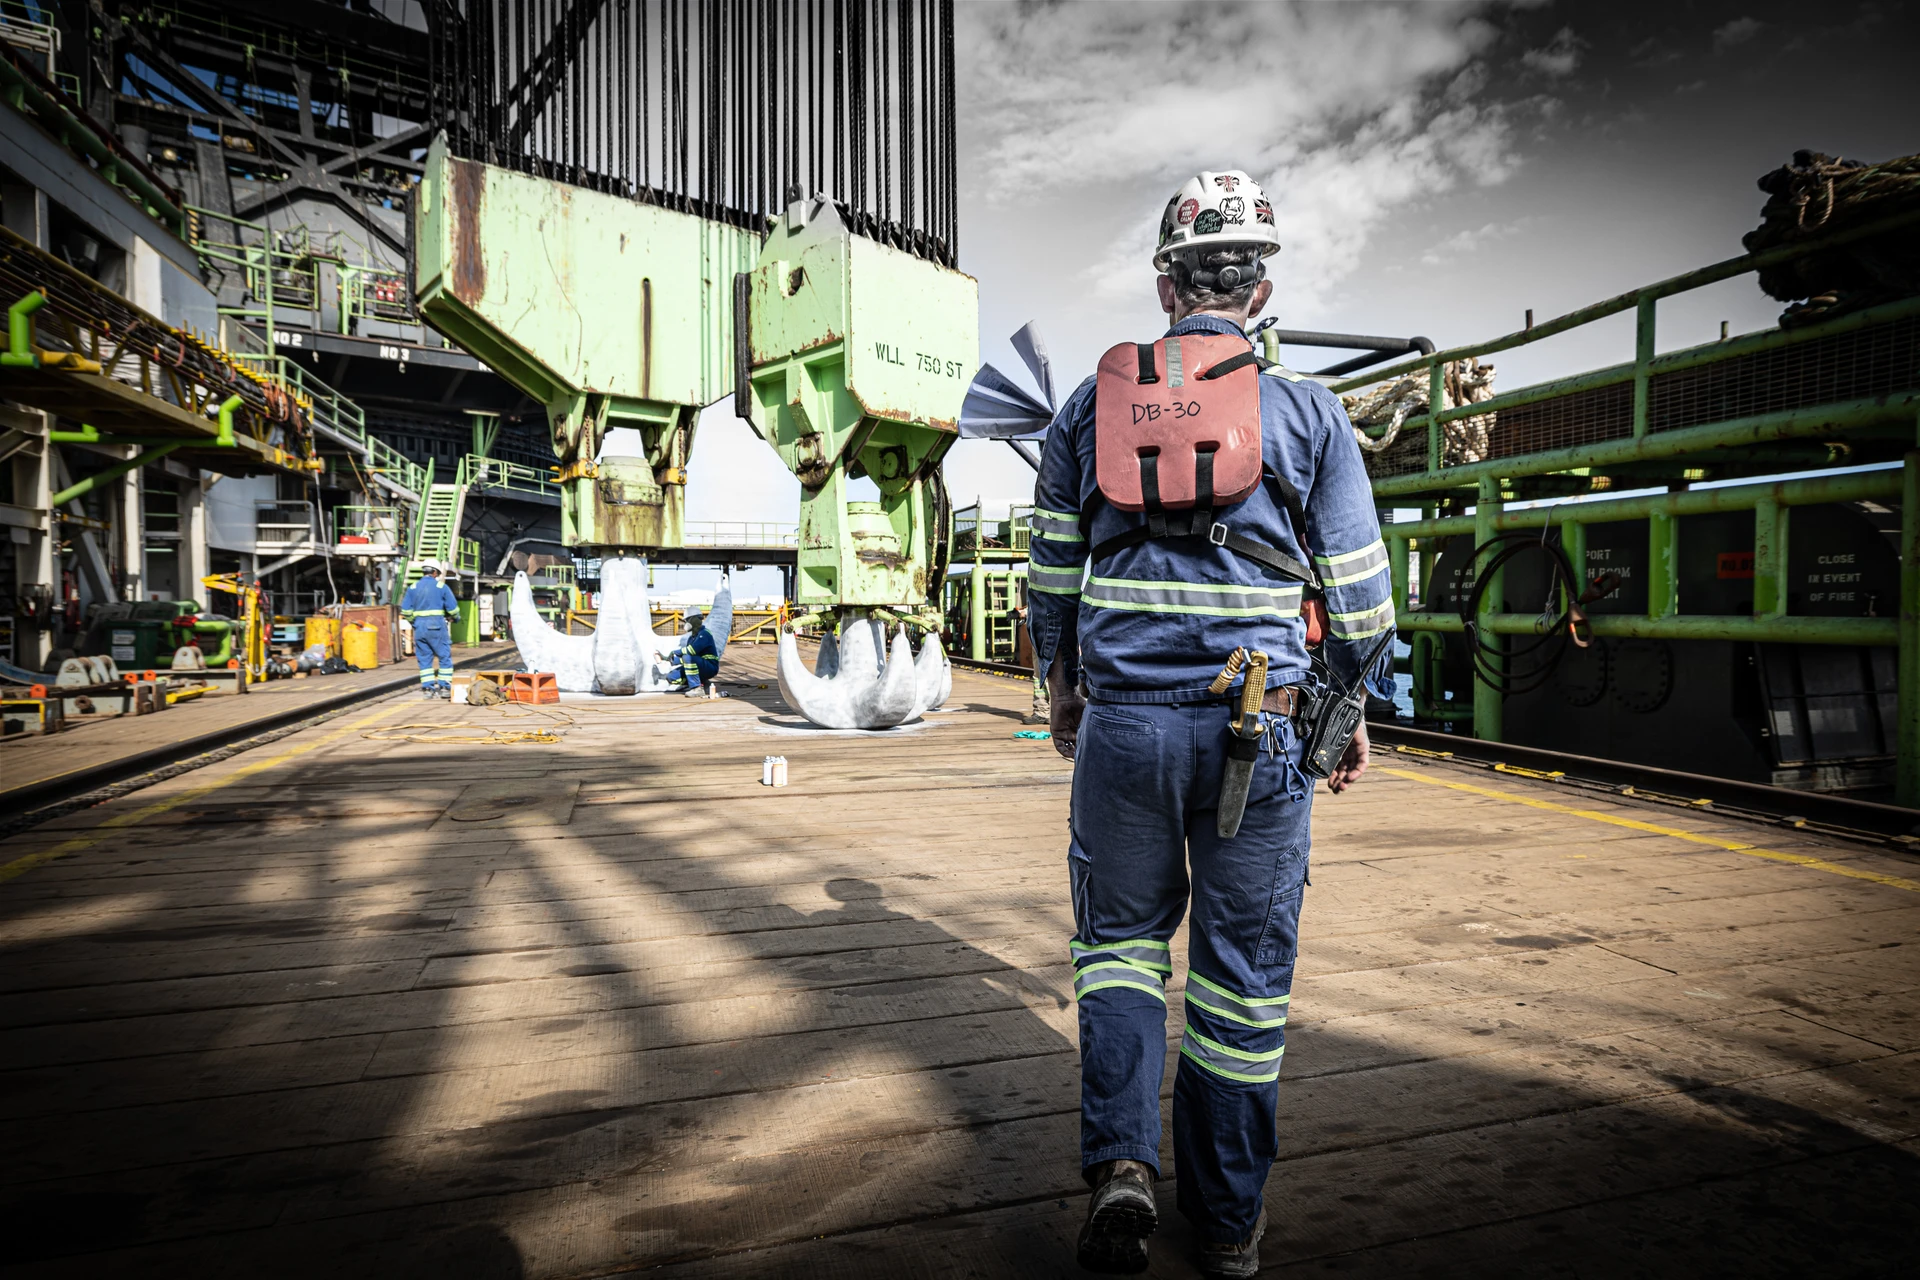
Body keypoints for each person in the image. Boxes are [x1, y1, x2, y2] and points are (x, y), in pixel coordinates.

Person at [1027, 169, 1395, 1277]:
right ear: (1261, 291)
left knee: (1119, 955)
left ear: (1165, 286)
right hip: (1262, 730)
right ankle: (1229, 1224)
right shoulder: (1311, 413)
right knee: (1240, 985)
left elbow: (1051, 582)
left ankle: (1123, 1165)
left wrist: (1062, 690)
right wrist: (1345, 704)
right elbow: (1363, 601)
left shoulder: (1086, 410)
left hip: (1123, 732)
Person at [400, 560, 460, 698]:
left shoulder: (413, 587)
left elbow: (406, 610)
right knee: (444, 657)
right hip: (436, 626)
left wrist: (414, 621)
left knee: (424, 659)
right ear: (434, 572)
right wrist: (455, 618)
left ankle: (428, 689)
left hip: (419, 628)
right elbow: (453, 609)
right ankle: (444, 687)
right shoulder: (441, 587)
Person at [666, 610, 721, 697]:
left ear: (694, 619)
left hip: (710, 667)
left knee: (688, 657)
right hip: (699, 665)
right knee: (671, 677)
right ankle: (703, 682)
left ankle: (697, 688)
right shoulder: (691, 638)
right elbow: (687, 659)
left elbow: (692, 651)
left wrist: (675, 652)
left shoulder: (704, 634)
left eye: (687, 620)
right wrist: (670, 659)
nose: (686, 623)